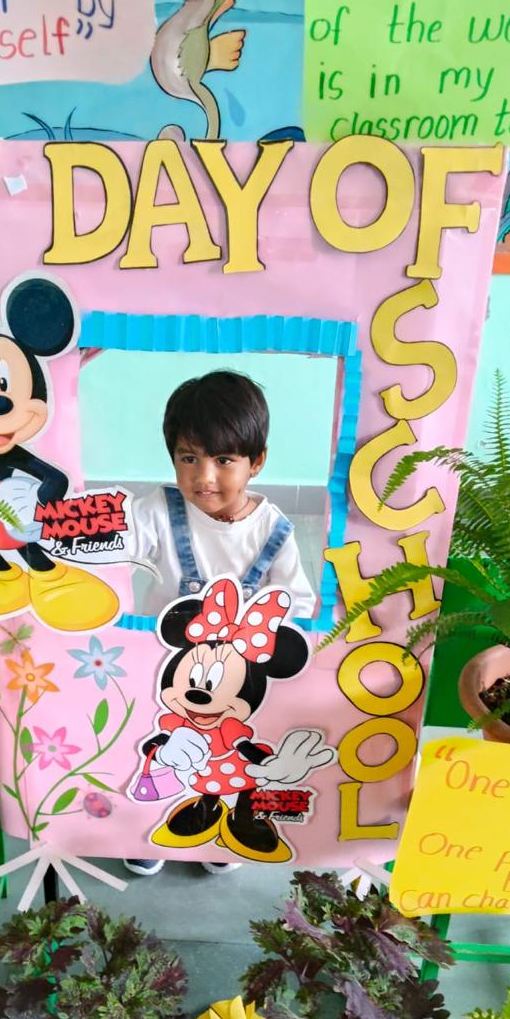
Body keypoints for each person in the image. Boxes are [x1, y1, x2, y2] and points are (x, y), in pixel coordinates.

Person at [125, 369, 315, 877]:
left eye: (224, 460)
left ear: (257, 461)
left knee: (227, 754)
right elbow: (116, 545)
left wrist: (267, 639)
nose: (204, 477)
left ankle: (218, 826)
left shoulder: (274, 530)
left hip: (237, 681)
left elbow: (297, 602)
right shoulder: (159, 511)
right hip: (163, 669)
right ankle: (146, 826)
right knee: (158, 745)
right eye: (189, 458)